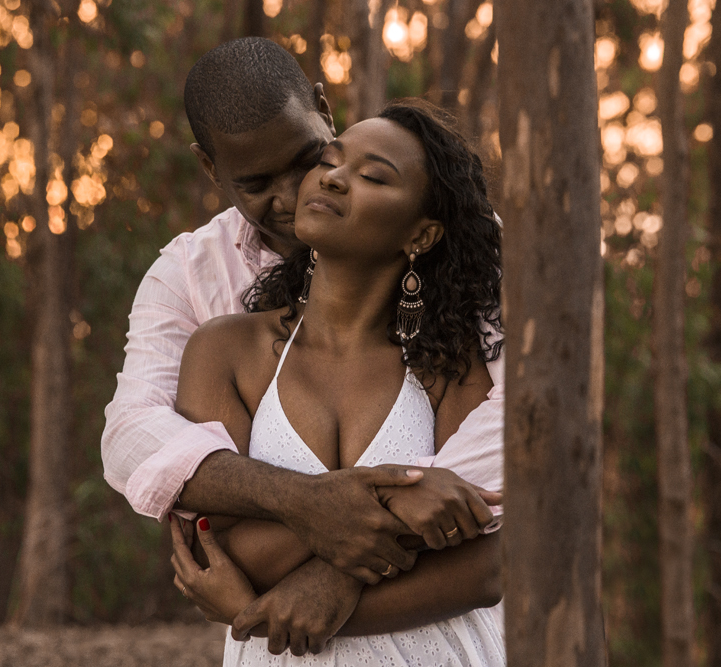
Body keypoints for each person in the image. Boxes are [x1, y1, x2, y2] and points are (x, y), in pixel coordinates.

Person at [102, 35, 503, 608]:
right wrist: (310, 503)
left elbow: (518, 433)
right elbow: (133, 440)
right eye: (257, 185)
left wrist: (339, 570)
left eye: (309, 158)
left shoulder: (463, 271)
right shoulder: (195, 288)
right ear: (209, 167)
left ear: (324, 109)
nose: (296, 195)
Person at [170, 99, 505, 665]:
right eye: (331, 159)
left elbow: (484, 570)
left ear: (421, 235)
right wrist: (393, 501)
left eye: (373, 176)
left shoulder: (448, 362)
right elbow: (210, 552)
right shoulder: (226, 351)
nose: (334, 178)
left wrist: (324, 587)